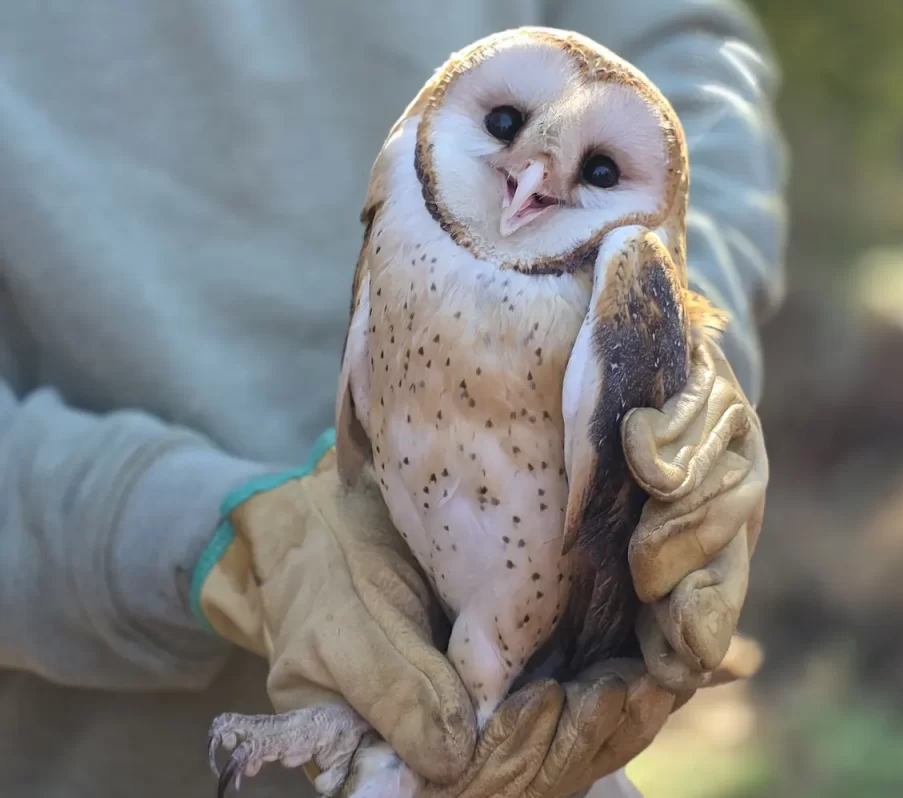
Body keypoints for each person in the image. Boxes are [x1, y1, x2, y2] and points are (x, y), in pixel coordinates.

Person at [0, 1, 786, 796]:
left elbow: (692, 64)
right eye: (506, 125)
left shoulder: (614, 303)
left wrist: (663, 346)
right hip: (88, 751)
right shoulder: (397, 236)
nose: (532, 184)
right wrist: (223, 544)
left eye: (600, 173)